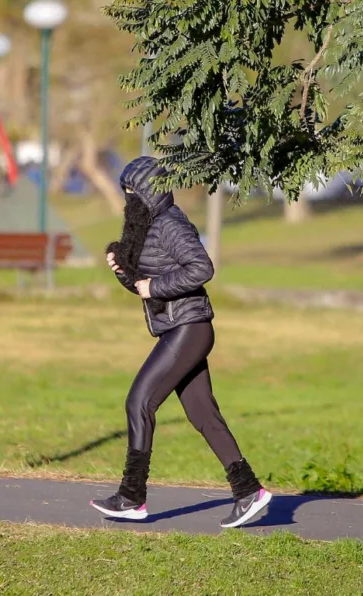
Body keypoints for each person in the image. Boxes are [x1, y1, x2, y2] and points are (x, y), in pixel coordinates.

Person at [89, 156, 271, 529]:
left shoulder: (171, 224)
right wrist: (124, 272)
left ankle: (131, 496)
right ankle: (249, 491)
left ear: (148, 191)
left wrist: (154, 286)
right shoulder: (149, 225)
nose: (127, 199)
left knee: (139, 402)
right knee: (203, 414)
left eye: (131, 191)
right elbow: (146, 289)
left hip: (189, 327)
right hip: (179, 327)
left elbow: (202, 268)